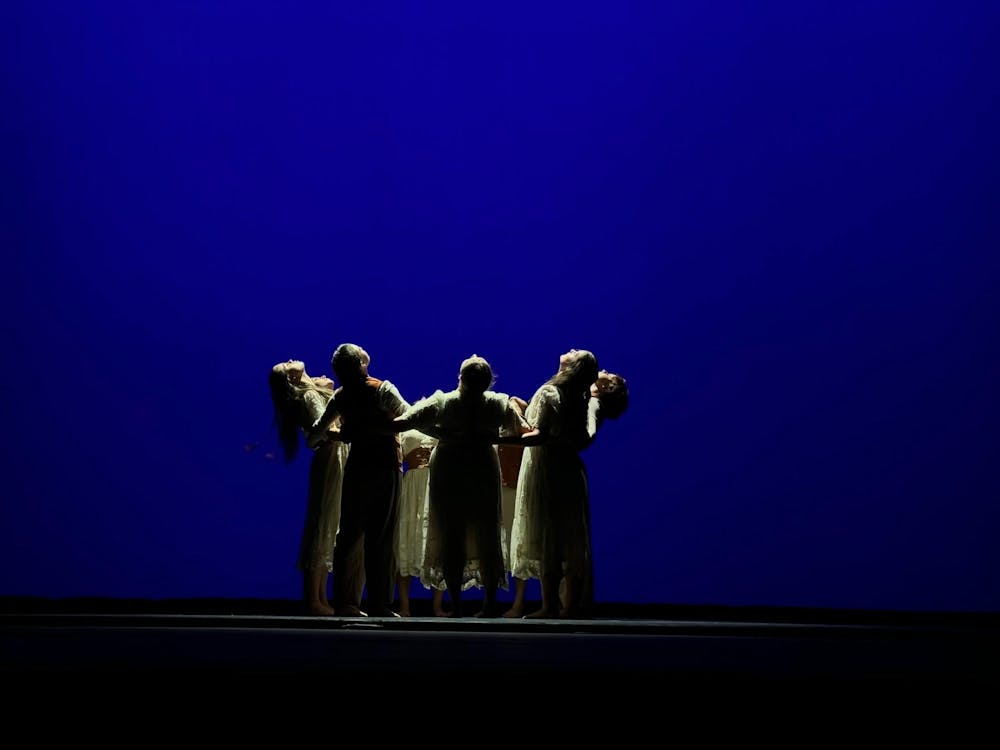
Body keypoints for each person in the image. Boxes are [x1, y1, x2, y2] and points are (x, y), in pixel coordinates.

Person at [390, 354, 530, 617]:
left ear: (461, 378)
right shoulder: (498, 403)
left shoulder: (444, 402)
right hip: (481, 465)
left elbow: (405, 421)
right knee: (487, 531)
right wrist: (493, 438)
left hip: (451, 465)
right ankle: (489, 602)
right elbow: (527, 432)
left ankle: (456, 604)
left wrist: (441, 433)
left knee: (451, 531)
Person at [307, 343, 409, 618]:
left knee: (350, 535)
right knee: (381, 535)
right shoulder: (382, 389)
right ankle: (378, 602)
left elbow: (315, 434)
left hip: (358, 467)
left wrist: (339, 434)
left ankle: (346, 601)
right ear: (361, 365)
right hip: (385, 466)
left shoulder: (341, 396)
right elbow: (408, 416)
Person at [501, 348, 600, 619]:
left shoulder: (550, 392)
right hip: (570, 469)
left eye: (576, 352)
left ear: (573, 367)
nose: (570, 349)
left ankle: (550, 606)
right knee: (569, 537)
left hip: (546, 467)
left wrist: (499, 438)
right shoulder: (580, 398)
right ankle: (570, 606)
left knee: (548, 534)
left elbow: (539, 435)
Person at [268, 360, 355, 616]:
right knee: (323, 523)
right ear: (291, 379)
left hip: (335, 453)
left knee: (329, 522)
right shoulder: (308, 395)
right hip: (331, 455)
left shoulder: (313, 391)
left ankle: (320, 597)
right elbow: (324, 426)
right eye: (285, 365)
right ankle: (314, 599)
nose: (290, 359)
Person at [396, 427, 448, 617]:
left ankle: (437, 607)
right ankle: (404, 606)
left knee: (436, 541)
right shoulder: (404, 431)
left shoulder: (437, 428)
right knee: (406, 538)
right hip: (412, 486)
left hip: (434, 482)